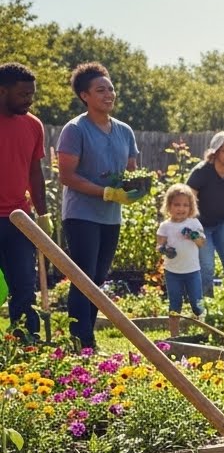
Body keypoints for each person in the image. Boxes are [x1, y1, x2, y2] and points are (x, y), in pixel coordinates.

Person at [57, 62, 145, 349]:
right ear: (85, 96)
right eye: (100, 90)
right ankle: (81, 340)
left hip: (110, 216)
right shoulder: (75, 129)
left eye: (111, 89)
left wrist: (136, 188)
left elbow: (131, 171)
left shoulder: (124, 131)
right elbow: (67, 176)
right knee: (83, 276)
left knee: (97, 278)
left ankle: (85, 336)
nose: (109, 94)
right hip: (81, 214)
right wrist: (105, 192)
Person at [0, 63, 49, 340]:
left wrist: (42, 215)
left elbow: (34, 171)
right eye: (23, 95)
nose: (29, 100)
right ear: (2, 90)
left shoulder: (33, 125)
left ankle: (25, 339)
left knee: (23, 285)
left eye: (31, 94)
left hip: (19, 219)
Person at [186, 131, 224, 297]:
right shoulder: (202, 172)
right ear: (215, 152)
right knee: (207, 266)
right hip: (202, 225)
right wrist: (191, 229)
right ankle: (205, 303)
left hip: (223, 223)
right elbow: (188, 199)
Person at [156, 184, 206, 337]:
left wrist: (193, 236)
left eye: (185, 205)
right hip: (173, 272)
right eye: (177, 204)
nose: (181, 208)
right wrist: (165, 250)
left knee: (197, 303)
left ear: (191, 207)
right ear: (169, 206)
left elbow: (202, 243)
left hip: (192, 271)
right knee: (174, 304)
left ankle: (204, 331)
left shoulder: (193, 223)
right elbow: (159, 246)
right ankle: (174, 336)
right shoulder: (165, 226)